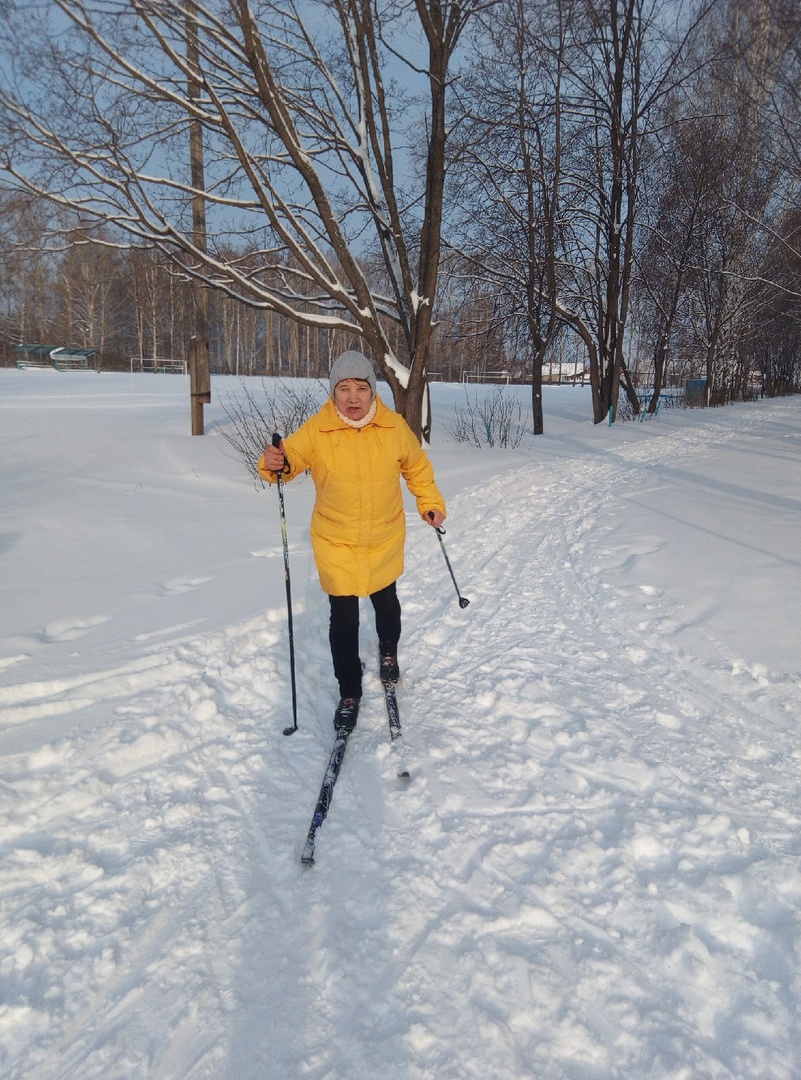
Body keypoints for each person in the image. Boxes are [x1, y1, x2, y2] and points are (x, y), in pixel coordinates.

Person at [259, 350, 446, 732]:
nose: (353, 397)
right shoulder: (318, 429)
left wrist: (429, 503)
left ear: (372, 391)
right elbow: (289, 459)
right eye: (344, 389)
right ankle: (349, 689)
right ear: (333, 393)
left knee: (386, 605)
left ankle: (388, 654)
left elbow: (417, 468)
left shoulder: (394, 427)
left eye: (361, 388)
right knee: (342, 619)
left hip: (383, 536)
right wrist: (275, 462)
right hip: (336, 540)